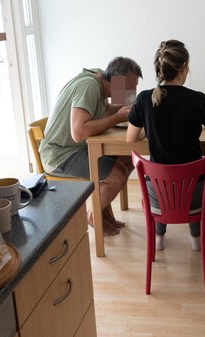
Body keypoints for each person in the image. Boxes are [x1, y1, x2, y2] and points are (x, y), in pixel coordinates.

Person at [126, 39, 205, 251]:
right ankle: (195, 237)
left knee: (164, 180)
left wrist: (150, 127)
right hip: (194, 195)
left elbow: (131, 139)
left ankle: (159, 238)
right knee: (193, 180)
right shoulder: (197, 99)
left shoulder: (144, 98)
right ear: (184, 67)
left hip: (157, 194)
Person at [39, 57, 143, 236]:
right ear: (117, 81)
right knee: (116, 175)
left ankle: (103, 212)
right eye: (130, 87)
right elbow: (79, 132)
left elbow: (102, 110)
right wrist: (117, 118)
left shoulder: (99, 79)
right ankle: (91, 215)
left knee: (129, 158)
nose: (132, 92)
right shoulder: (88, 86)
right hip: (61, 155)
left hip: (75, 149)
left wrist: (123, 109)